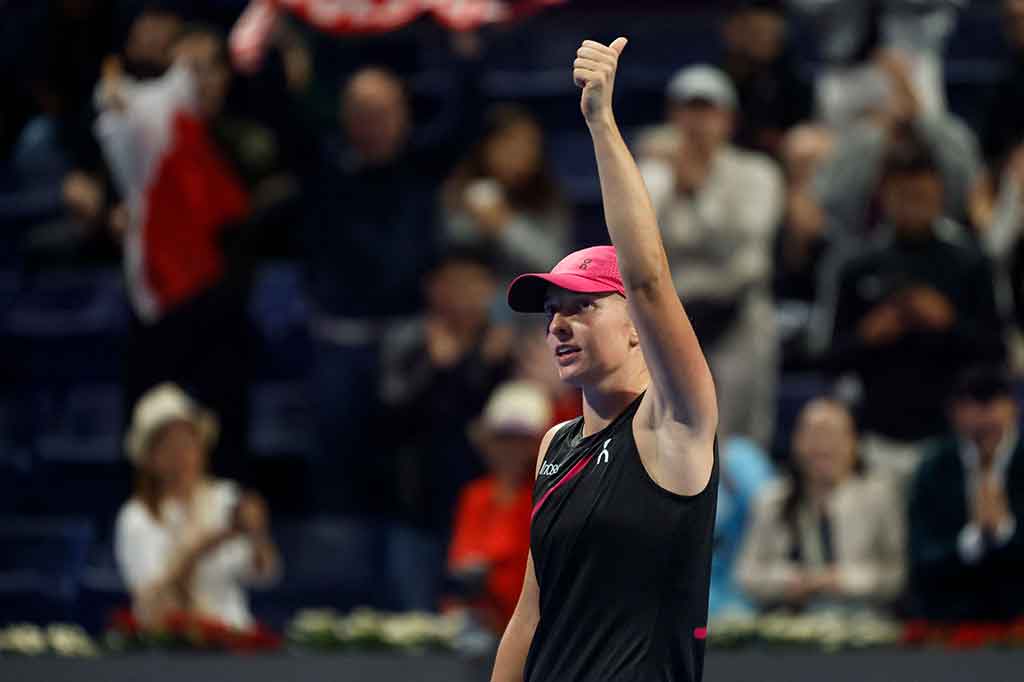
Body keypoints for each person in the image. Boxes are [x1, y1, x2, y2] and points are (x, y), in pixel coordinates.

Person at [492, 37, 719, 682]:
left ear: (636, 330)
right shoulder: (555, 444)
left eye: (583, 306)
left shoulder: (674, 421)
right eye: (551, 312)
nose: (558, 323)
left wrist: (601, 122)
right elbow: (530, 616)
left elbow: (648, 279)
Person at [828, 137, 1005, 482]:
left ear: (939, 194)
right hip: (877, 438)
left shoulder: (969, 263)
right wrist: (869, 334)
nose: (912, 206)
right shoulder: (859, 264)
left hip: (953, 438)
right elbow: (829, 358)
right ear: (885, 196)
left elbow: (996, 351)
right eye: (903, 196)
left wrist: (948, 322)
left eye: (921, 196)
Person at [638, 64, 783, 448]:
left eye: (708, 111)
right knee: (673, 434)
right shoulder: (651, 174)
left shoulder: (757, 173)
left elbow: (743, 240)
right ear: (673, 117)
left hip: (739, 316)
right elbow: (641, 247)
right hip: (674, 318)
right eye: (688, 110)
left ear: (728, 119)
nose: (697, 123)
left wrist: (694, 189)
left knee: (743, 439)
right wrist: (677, 183)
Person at [114, 383, 280, 630]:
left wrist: (257, 533)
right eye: (169, 445)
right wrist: (197, 550)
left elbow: (264, 573)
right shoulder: (136, 516)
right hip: (167, 643)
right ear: (150, 459)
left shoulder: (226, 498)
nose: (181, 454)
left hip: (231, 636)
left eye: (188, 441)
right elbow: (150, 599)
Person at [735, 399, 905, 613]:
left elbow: (896, 575)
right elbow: (746, 574)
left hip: (863, 623)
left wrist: (844, 580)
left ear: (853, 443)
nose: (823, 445)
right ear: (796, 442)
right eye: (813, 434)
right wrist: (788, 580)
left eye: (832, 435)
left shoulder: (878, 497)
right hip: (787, 626)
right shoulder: (772, 498)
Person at [908, 367, 1024, 622]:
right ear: (954, 413)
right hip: (951, 613)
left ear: (1013, 408)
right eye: (973, 406)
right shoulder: (935, 467)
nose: (984, 419)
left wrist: (1005, 532)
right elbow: (922, 559)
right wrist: (972, 540)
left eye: (993, 404)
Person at [447, 381, 552, 635]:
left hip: (530, 624)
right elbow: (459, 561)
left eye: (522, 440)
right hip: (475, 624)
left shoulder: (545, 497)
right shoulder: (475, 495)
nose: (512, 450)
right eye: (504, 439)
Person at [443, 104, 570, 284]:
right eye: (509, 143)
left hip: (530, 300)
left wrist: (504, 224)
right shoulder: (458, 189)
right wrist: (477, 221)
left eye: (530, 144)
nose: (521, 154)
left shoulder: (548, 195)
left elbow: (555, 262)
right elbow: (446, 252)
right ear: (486, 145)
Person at [718, 0, 813, 158]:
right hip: (731, 151)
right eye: (755, 33)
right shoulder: (726, 74)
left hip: (782, 154)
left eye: (768, 32)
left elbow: (800, 127)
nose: (763, 39)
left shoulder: (794, 78)